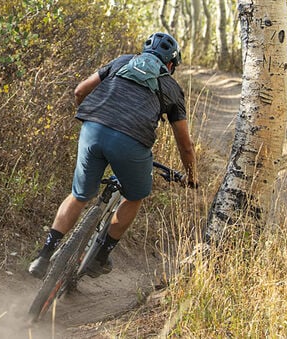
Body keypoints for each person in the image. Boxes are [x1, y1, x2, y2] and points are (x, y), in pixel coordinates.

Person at [29, 32, 198, 279]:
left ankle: (43, 257)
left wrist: (94, 122)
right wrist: (191, 176)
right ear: (170, 64)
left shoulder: (122, 62)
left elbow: (80, 91)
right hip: (131, 143)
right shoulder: (172, 88)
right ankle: (100, 258)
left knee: (79, 196)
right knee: (134, 196)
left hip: (92, 129)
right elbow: (185, 145)